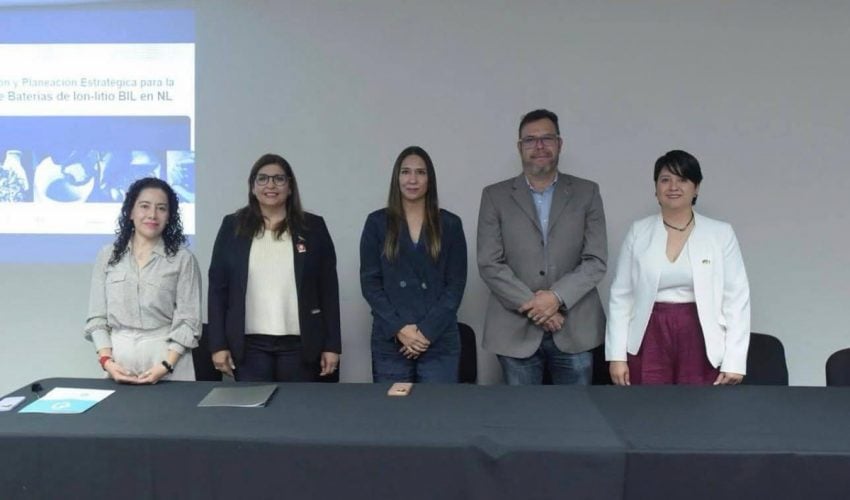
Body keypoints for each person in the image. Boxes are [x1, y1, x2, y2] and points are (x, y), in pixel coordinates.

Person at [477, 109, 607, 385]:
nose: (539, 146)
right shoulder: (494, 196)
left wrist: (556, 298)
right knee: (523, 412)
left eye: (547, 138)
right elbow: (489, 263)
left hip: (575, 328)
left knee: (576, 410)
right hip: (514, 329)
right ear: (519, 147)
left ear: (559, 144)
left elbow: (596, 260)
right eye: (530, 140)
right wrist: (537, 306)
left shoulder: (587, 192)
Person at [606, 150, 750, 385]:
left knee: (699, 403)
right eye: (665, 180)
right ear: (656, 188)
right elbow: (621, 296)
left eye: (682, 179)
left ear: (696, 187)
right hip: (648, 333)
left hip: (701, 333)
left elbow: (736, 298)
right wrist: (616, 356)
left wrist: (735, 361)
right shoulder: (639, 232)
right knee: (648, 402)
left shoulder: (720, 233)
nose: (673, 187)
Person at [207, 153, 340, 382]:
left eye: (279, 179)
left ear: (290, 187)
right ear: (252, 187)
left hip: (301, 345)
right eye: (262, 178)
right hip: (249, 346)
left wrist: (332, 345)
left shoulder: (313, 227)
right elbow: (218, 290)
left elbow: (328, 290)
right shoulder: (232, 226)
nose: (270, 185)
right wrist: (218, 345)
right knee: (254, 407)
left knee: (297, 405)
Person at [360, 146, 467, 383]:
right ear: (396, 178)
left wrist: (425, 332)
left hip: (439, 339)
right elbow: (370, 284)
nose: (412, 180)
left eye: (420, 172)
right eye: (405, 172)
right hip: (391, 339)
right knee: (394, 407)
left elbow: (455, 286)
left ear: (430, 179)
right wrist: (401, 329)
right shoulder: (377, 223)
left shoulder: (450, 224)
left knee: (436, 406)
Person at [85, 177, 201, 383]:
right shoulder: (107, 255)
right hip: (119, 362)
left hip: (167, 359)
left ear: (169, 216)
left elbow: (189, 321)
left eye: (161, 208)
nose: (152, 215)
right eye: (144, 206)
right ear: (130, 212)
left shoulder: (183, 259)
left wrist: (166, 365)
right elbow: (97, 318)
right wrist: (107, 361)